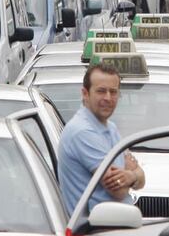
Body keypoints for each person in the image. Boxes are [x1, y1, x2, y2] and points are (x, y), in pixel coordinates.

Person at [58, 63, 145, 215]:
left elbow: (141, 179)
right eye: (101, 91)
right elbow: (118, 190)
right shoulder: (82, 132)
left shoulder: (110, 128)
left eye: (113, 92)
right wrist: (134, 173)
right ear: (85, 93)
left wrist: (131, 175)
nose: (108, 98)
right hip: (96, 233)